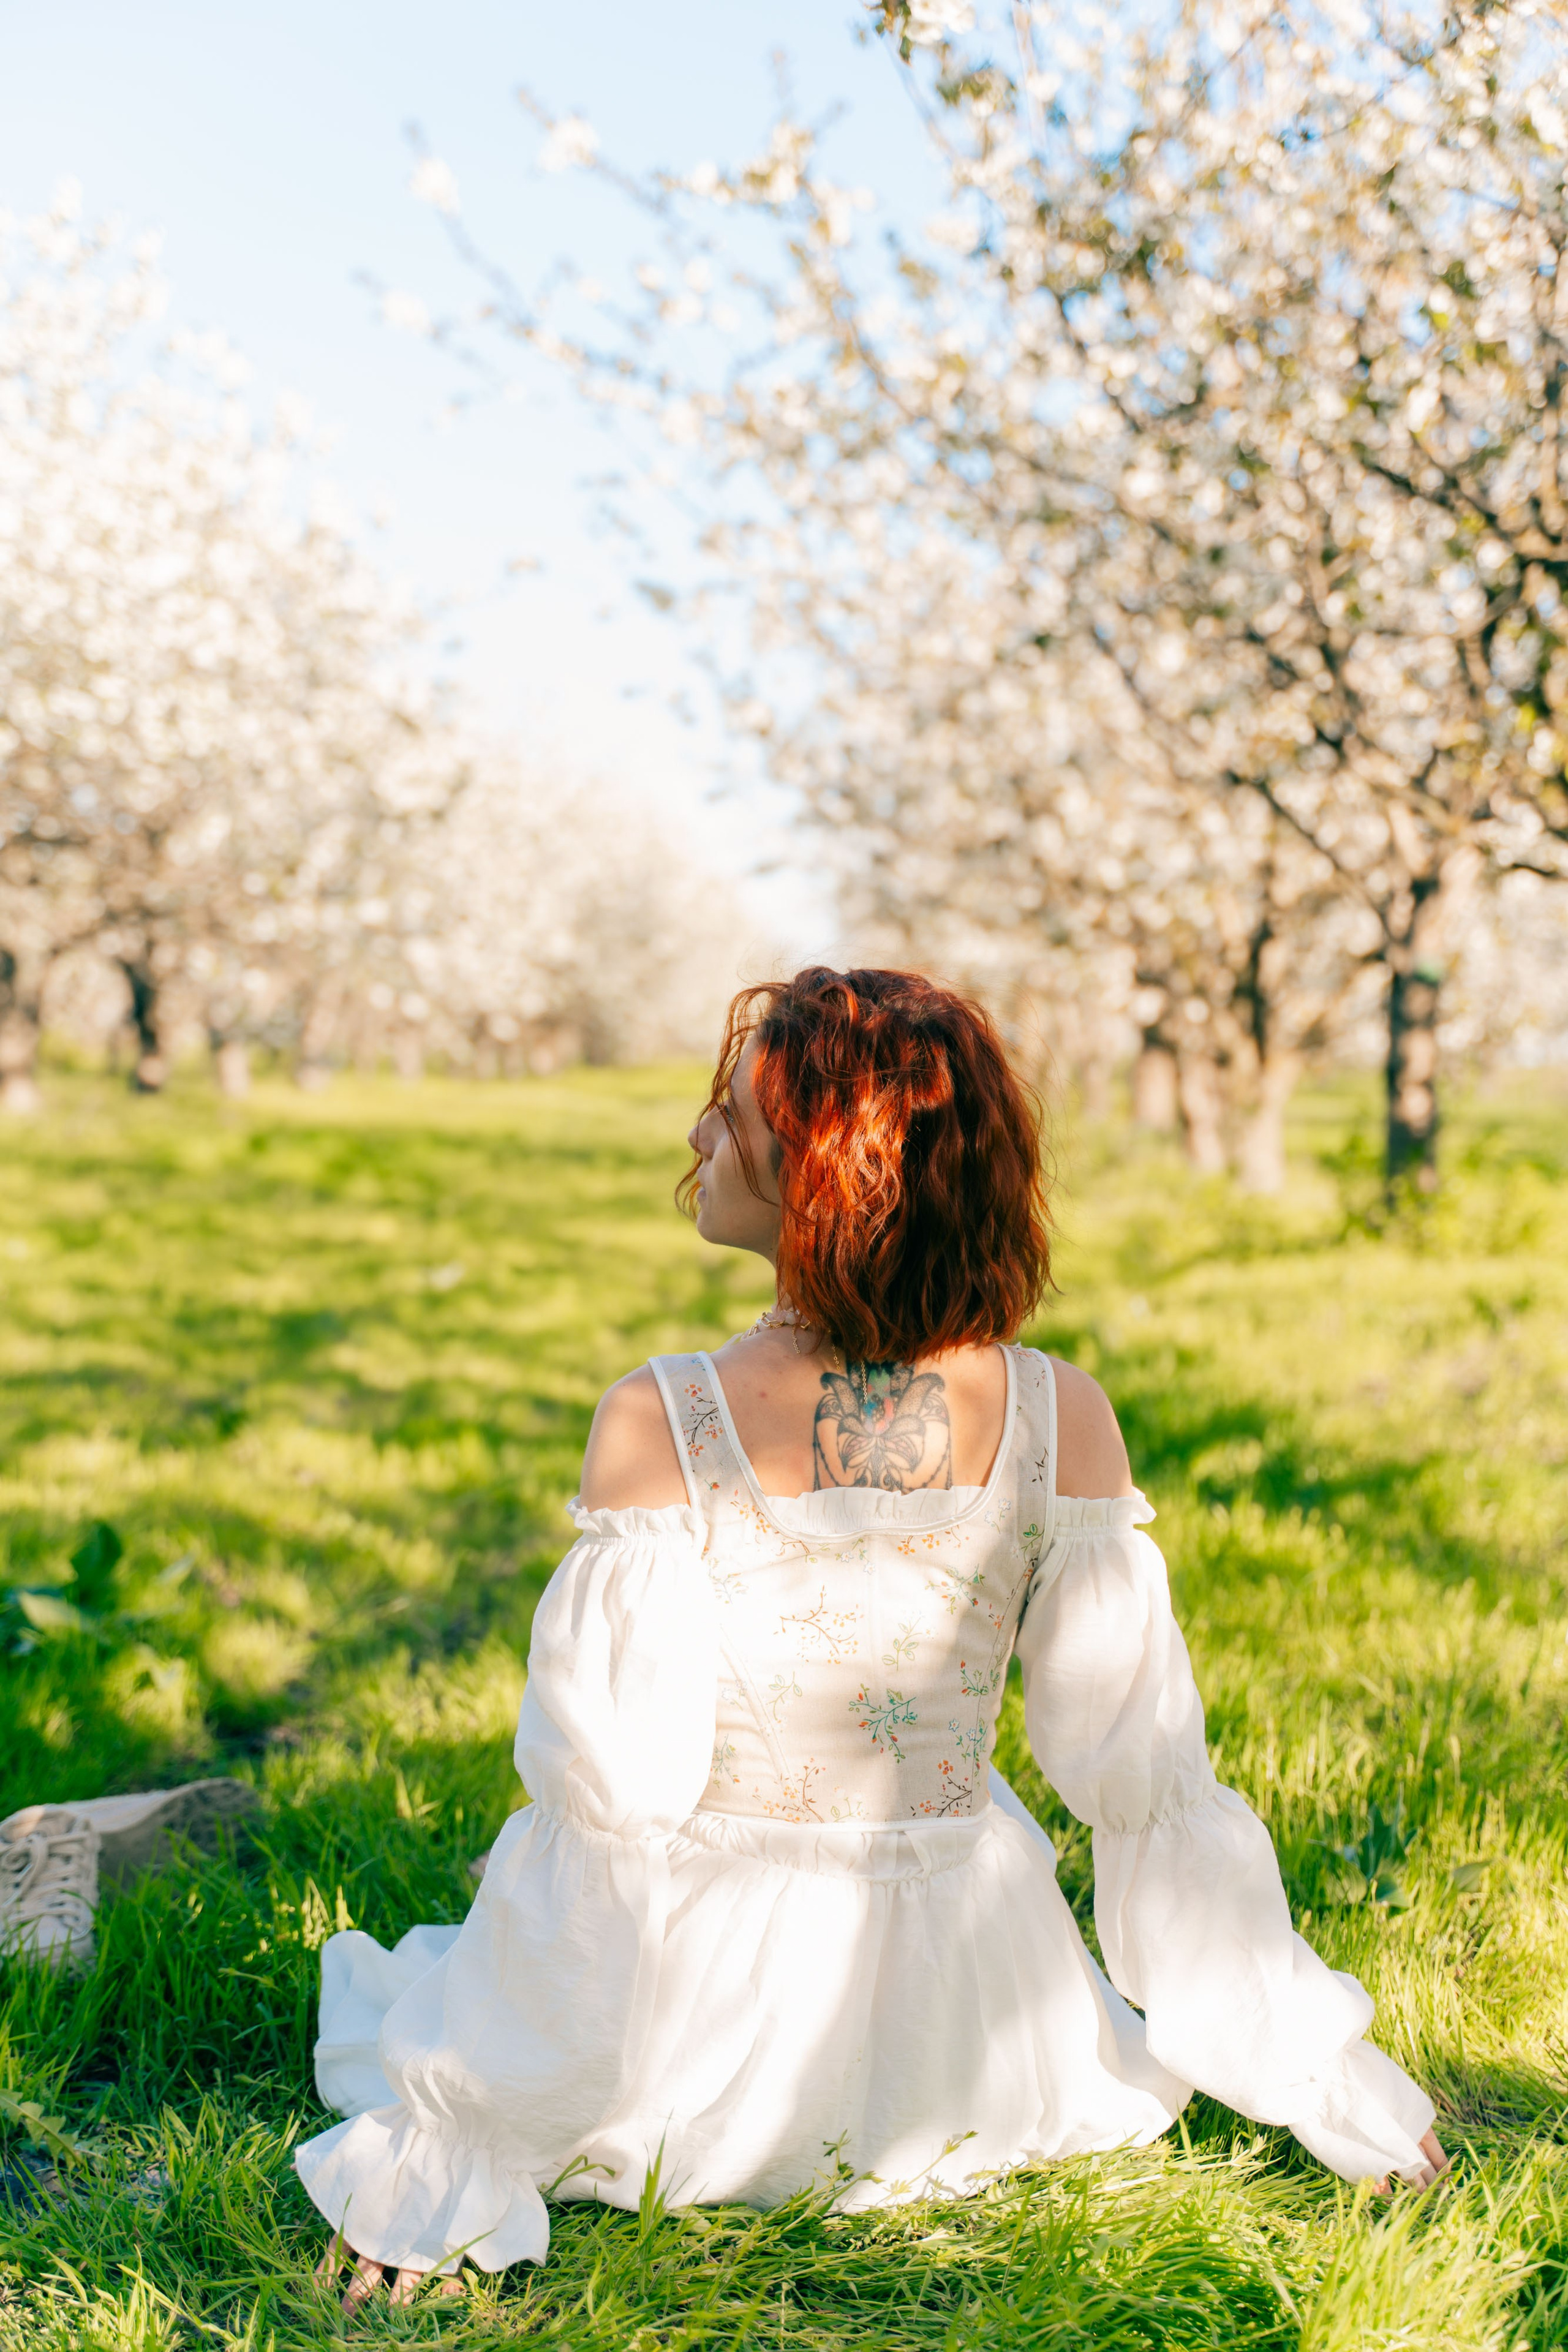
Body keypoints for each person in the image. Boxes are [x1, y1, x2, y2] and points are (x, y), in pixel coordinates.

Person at [299, 967, 1447, 2308]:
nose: (695, 1142)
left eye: (728, 1120)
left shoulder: (657, 1419)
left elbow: (604, 1827)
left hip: (695, 2034)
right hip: (980, 2027)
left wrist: (457, 2150)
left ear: (822, 1172)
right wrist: (1309, 2067)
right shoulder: (1056, 1410)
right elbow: (1137, 1779)